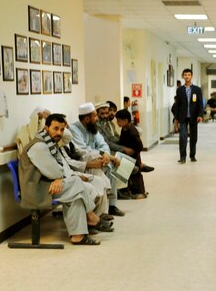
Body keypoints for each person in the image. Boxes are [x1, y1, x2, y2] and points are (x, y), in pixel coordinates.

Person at [20, 113, 112, 245]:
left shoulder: (49, 143)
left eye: (62, 129)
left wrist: (60, 178)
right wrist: (58, 177)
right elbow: (53, 171)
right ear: (46, 128)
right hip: (37, 189)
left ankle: (78, 236)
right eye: (55, 128)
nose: (59, 133)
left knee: (75, 193)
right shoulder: (39, 146)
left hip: (48, 184)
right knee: (75, 183)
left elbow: (59, 168)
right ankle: (92, 217)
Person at [70, 102, 125, 217]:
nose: (97, 118)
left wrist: (106, 154)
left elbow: (103, 144)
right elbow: (83, 150)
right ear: (86, 119)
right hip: (83, 162)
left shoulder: (93, 128)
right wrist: (105, 156)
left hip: (98, 158)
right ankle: (102, 210)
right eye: (94, 116)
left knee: (112, 165)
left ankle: (112, 206)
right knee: (105, 162)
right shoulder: (74, 129)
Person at [171, 68, 204, 163]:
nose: (187, 76)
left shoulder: (197, 90)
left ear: (191, 76)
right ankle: (182, 157)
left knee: (193, 137)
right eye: (185, 75)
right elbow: (177, 104)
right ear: (183, 76)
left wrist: (200, 115)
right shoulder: (180, 90)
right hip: (182, 117)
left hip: (194, 117)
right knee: (183, 137)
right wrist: (176, 119)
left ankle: (192, 155)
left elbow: (200, 104)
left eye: (189, 75)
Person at [114, 109, 147, 199]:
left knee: (136, 174)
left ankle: (141, 192)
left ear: (126, 120)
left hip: (134, 156)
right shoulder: (124, 129)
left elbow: (140, 146)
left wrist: (133, 152)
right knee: (130, 174)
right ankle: (131, 191)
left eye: (119, 121)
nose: (117, 123)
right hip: (127, 156)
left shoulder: (132, 132)